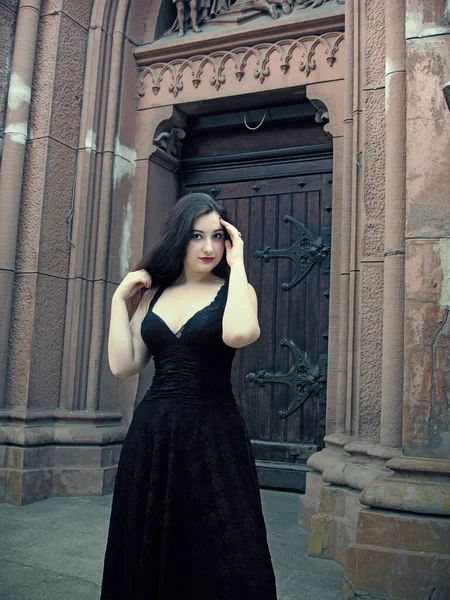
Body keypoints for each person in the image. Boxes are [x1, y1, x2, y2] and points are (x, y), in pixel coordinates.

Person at [100, 193, 277, 600]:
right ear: (180, 237)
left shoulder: (238, 291)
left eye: (218, 236)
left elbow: (237, 334)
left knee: (226, 550)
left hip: (214, 436)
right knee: (150, 547)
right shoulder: (154, 295)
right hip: (153, 437)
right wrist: (117, 302)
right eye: (197, 236)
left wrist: (239, 267)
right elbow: (124, 365)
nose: (209, 247)